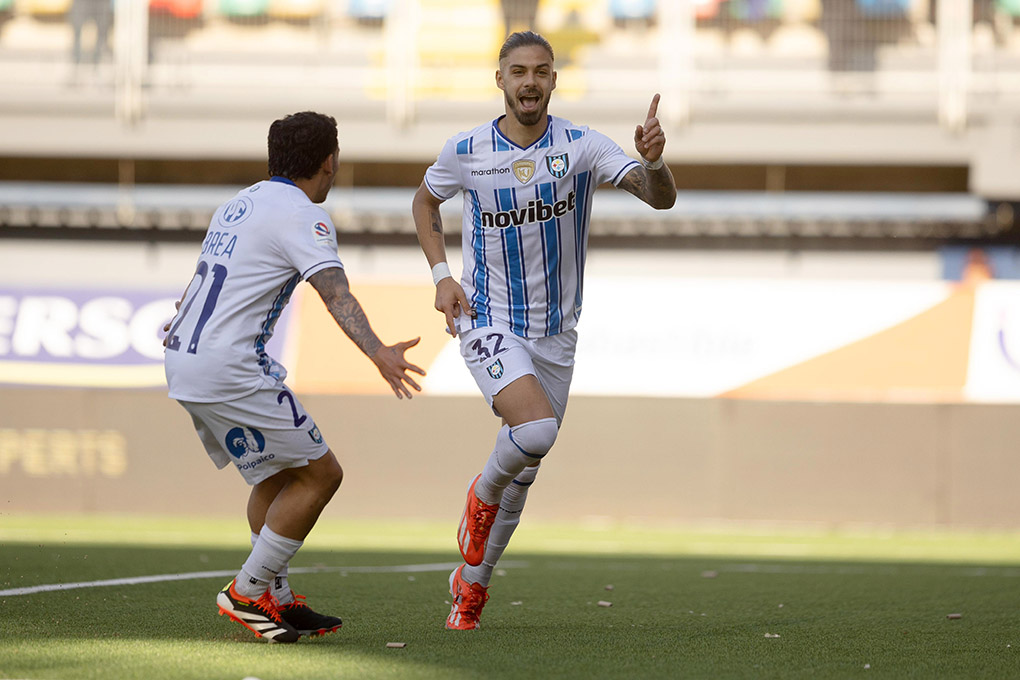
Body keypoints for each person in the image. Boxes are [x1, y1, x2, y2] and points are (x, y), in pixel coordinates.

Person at [412, 31, 676, 630]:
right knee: (534, 430)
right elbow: (424, 205)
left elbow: (658, 199)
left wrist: (654, 162)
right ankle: (479, 493)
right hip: (488, 319)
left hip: (558, 334)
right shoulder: (465, 150)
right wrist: (440, 276)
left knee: (527, 469)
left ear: (554, 80)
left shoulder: (583, 147)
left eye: (541, 71)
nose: (529, 81)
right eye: (518, 71)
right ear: (499, 80)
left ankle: (471, 585)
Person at [164, 111, 424, 643]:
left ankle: (275, 598)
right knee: (323, 474)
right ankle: (247, 589)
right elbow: (333, 290)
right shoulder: (303, 214)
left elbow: (204, 282)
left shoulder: (238, 203)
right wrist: (377, 351)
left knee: (277, 477)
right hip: (229, 365)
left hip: (186, 354)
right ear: (329, 162)